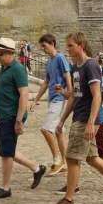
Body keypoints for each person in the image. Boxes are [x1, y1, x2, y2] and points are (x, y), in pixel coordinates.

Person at [49, 32, 103, 204]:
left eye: (71, 45)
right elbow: (74, 97)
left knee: (72, 158)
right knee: (92, 158)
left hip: (86, 119)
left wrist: (91, 123)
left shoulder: (90, 65)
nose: (68, 49)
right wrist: (62, 120)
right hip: (79, 116)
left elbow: (97, 96)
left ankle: (69, 199)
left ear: (81, 45)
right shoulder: (75, 67)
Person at [0, 37, 47, 200]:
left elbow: (24, 94)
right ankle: (36, 168)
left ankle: (5, 187)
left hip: (12, 116)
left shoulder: (17, 69)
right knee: (6, 148)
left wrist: (19, 120)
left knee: (6, 152)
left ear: (9, 53)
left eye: (0, 54)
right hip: (3, 114)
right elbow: (2, 94)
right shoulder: (4, 69)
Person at [30, 33, 72, 175]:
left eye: (44, 46)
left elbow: (67, 75)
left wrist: (69, 92)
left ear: (52, 44)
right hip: (52, 99)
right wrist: (35, 100)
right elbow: (46, 82)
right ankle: (65, 163)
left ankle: (57, 160)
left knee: (46, 129)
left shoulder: (60, 58)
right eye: (42, 46)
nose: (43, 49)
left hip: (59, 99)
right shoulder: (49, 61)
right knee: (58, 132)